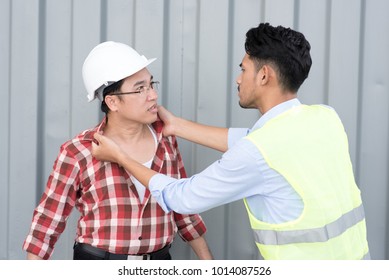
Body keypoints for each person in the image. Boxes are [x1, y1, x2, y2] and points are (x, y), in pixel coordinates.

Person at [91, 23, 370, 260]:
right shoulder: (325, 118)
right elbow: (254, 141)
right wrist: (178, 126)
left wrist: (121, 158)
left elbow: (181, 198)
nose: (238, 79)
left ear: (264, 76)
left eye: (244, 69)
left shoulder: (258, 152)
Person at [22, 41, 213, 260]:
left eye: (151, 84)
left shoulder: (166, 141)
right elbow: (47, 224)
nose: (152, 95)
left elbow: (183, 208)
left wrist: (209, 265)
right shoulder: (78, 152)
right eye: (140, 88)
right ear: (112, 102)